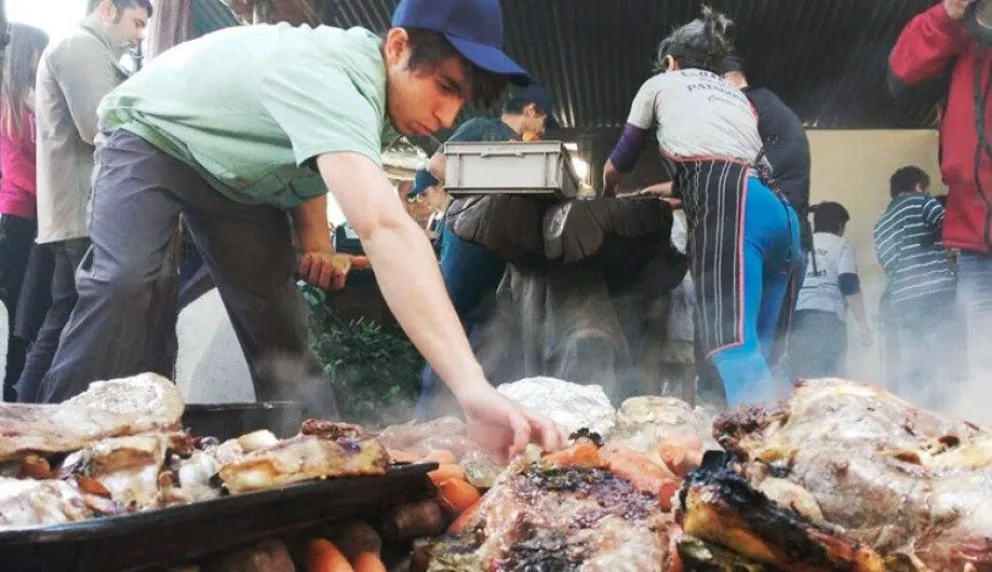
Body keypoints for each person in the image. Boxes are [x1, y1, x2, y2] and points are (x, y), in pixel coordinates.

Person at [35, 0, 563, 463]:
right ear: (398, 47)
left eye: (461, 100)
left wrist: (313, 237)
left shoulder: (372, 96)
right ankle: (46, 451)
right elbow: (385, 228)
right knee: (128, 284)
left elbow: (311, 156)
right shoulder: (334, 72)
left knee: (280, 327)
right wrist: (471, 387)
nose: (448, 116)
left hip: (238, 181)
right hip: (154, 135)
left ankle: (327, 466)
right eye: (444, 87)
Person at [602, 7, 800, 408]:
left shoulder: (659, 85)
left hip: (733, 211)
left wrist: (606, 191)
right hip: (779, 213)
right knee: (762, 352)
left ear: (671, 62)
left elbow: (619, 160)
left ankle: (760, 452)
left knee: (731, 347)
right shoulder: (734, 96)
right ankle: (784, 446)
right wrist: (658, 192)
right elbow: (713, 168)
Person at [17, 0, 151, 403]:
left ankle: (24, 413)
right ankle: (36, 413)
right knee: (81, 322)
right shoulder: (81, 46)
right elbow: (101, 126)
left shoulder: (85, 48)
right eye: (137, 22)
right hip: (84, 211)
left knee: (65, 317)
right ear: (108, 9)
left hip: (77, 211)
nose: (140, 34)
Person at [408, 84, 558, 419]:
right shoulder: (483, 128)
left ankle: (475, 421)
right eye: (544, 120)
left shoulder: (525, 150)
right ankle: (427, 419)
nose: (543, 130)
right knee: (451, 327)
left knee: (490, 333)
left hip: (501, 250)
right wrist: (484, 181)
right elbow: (436, 165)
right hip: (469, 243)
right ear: (531, 110)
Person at [888, 0, 992, 381]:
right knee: (984, 368)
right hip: (974, 244)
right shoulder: (959, 36)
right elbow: (901, 71)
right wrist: (948, 12)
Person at [873, 166, 957, 401]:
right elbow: (949, 225)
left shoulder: (880, 225)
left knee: (916, 353)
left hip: (902, 297)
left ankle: (923, 403)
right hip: (935, 290)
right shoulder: (921, 201)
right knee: (946, 349)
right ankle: (949, 403)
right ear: (919, 184)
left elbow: (887, 264)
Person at [0, 24, 49, 401]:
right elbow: (14, 167)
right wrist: (50, 189)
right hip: (15, 219)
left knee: (25, 314)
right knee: (17, 314)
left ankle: (16, 395)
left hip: (31, 219)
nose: (42, 60)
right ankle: (12, 397)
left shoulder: (29, 104)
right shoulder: (8, 103)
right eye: (39, 52)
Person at [789, 202, 871, 379]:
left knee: (801, 378)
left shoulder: (800, 244)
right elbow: (849, 284)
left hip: (797, 317)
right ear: (840, 225)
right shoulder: (842, 245)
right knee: (830, 378)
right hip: (828, 318)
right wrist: (863, 324)